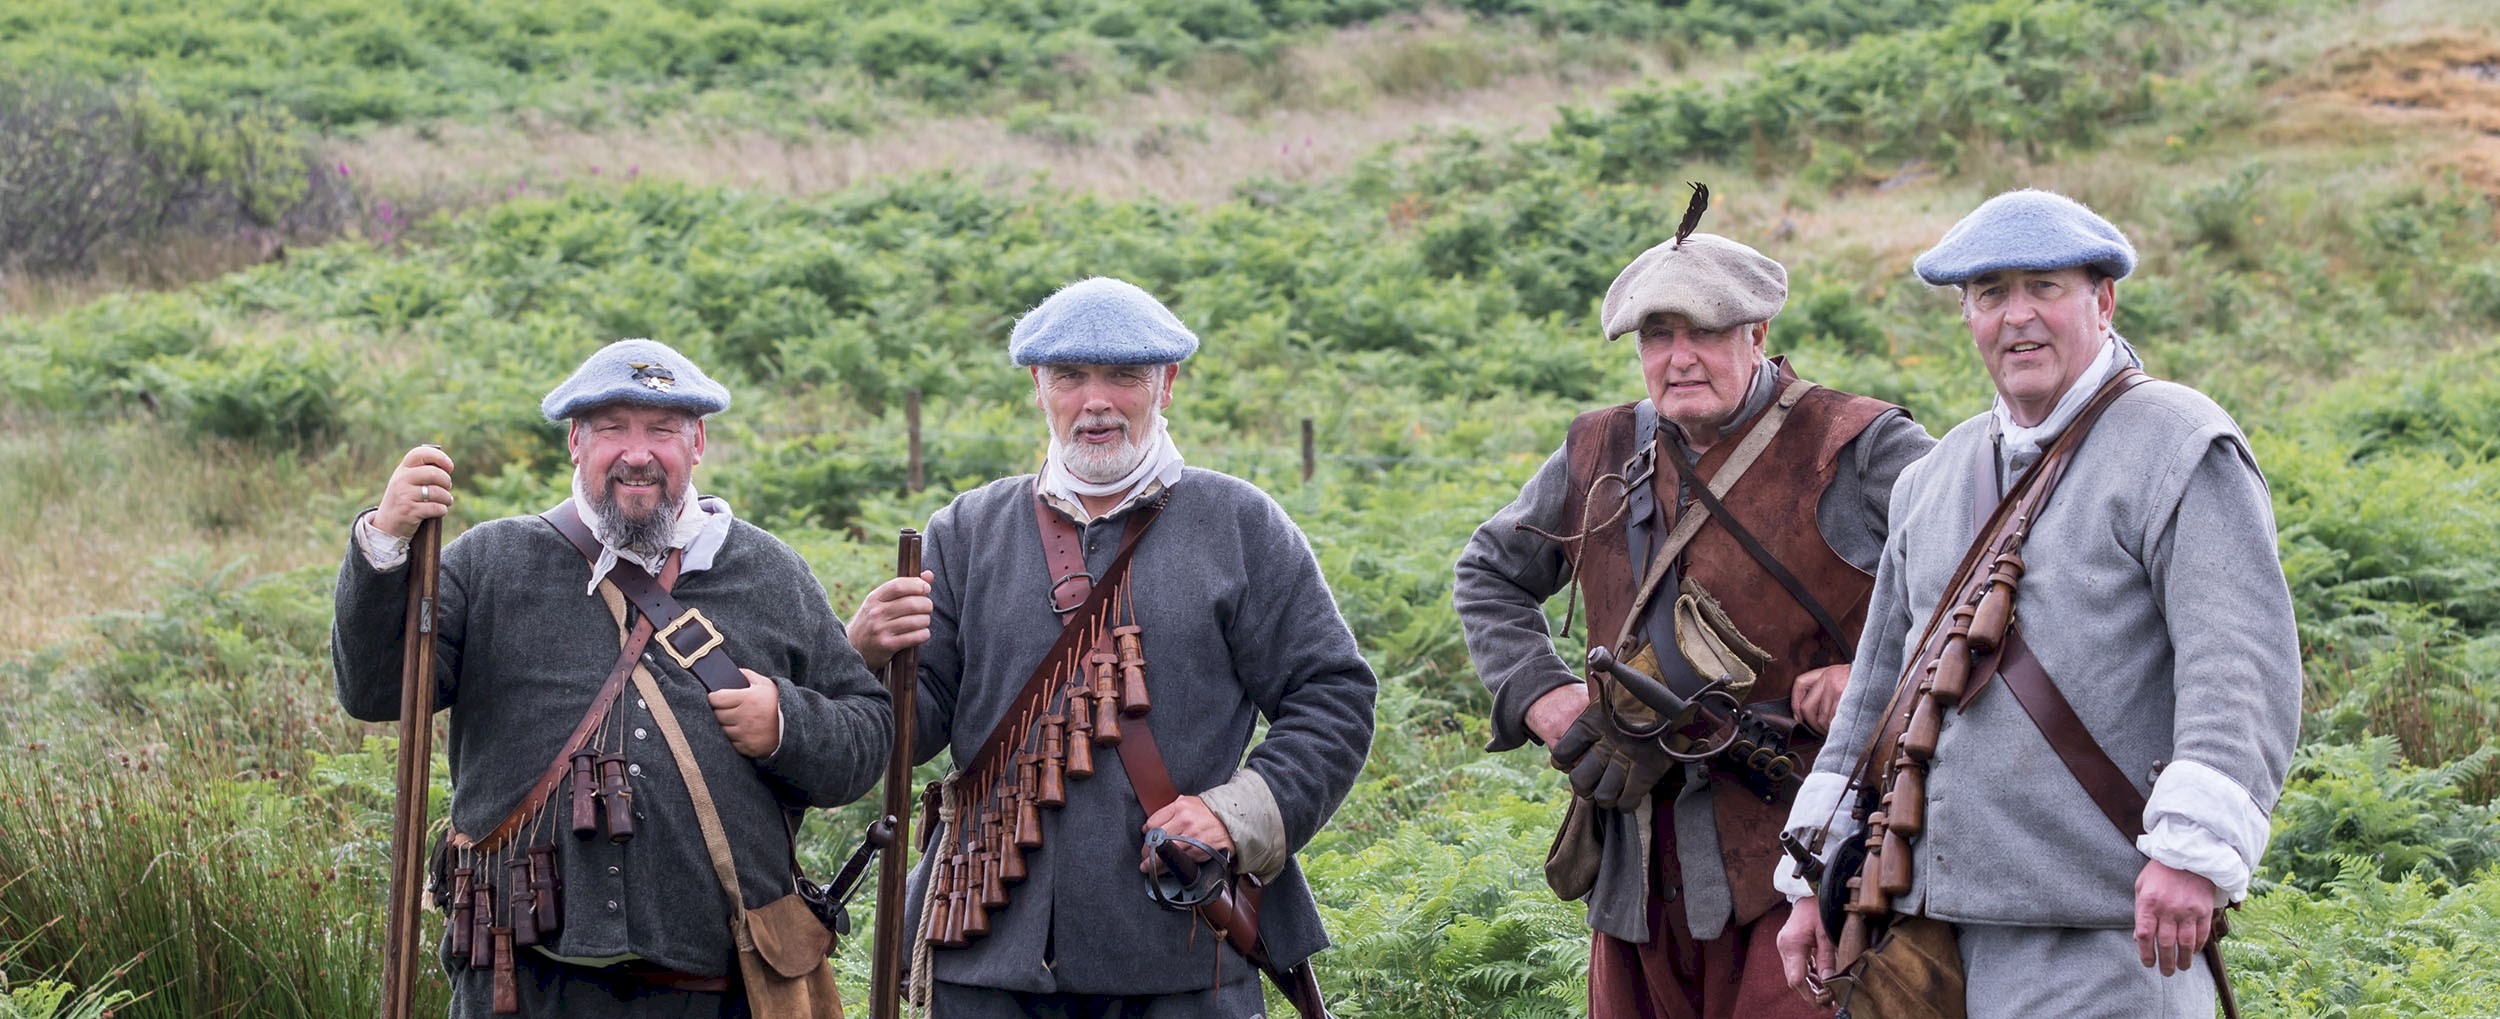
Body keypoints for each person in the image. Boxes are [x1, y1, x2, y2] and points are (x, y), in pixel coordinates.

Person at [1772, 190, 2303, 1017]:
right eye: (1991, 294)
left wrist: (2195, 855)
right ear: (1969, 317)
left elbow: (2240, 667)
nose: (2016, 316)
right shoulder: (1932, 479)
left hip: (2104, 938)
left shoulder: (2179, 444)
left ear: (2102, 298)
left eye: (2044, 287)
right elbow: (1873, 701)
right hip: (1928, 942)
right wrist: (1813, 880)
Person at [847, 277, 1377, 1017]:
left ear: (1168, 384)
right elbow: (922, 723)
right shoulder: (964, 531)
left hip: (1178, 943)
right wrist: (869, 657)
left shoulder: (1240, 524)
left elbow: (1333, 696)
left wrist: (1235, 812)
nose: (1095, 401)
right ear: (1039, 386)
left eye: (1124, 375)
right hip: (987, 951)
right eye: (1070, 376)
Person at [1454, 217, 1936, 1018]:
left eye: (1705, 332)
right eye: (1657, 334)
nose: (1679, 358)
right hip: (1636, 861)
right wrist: (1543, 695)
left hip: (1808, 861)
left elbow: (1986, 576)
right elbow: (1488, 573)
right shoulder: (1597, 449)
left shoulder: (1856, 445)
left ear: (1758, 331)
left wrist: (1880, 679)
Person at [333, 338, 893, 1017]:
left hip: (715, 993)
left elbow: (866, 729)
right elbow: (373, 688)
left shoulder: (771, 573)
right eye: (612, 429)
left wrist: (785, 723)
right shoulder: (490, 563)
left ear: (698, 444)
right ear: (576, 441)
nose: (637, 452)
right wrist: (385, 540)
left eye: (661, 430)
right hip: (520, 987)